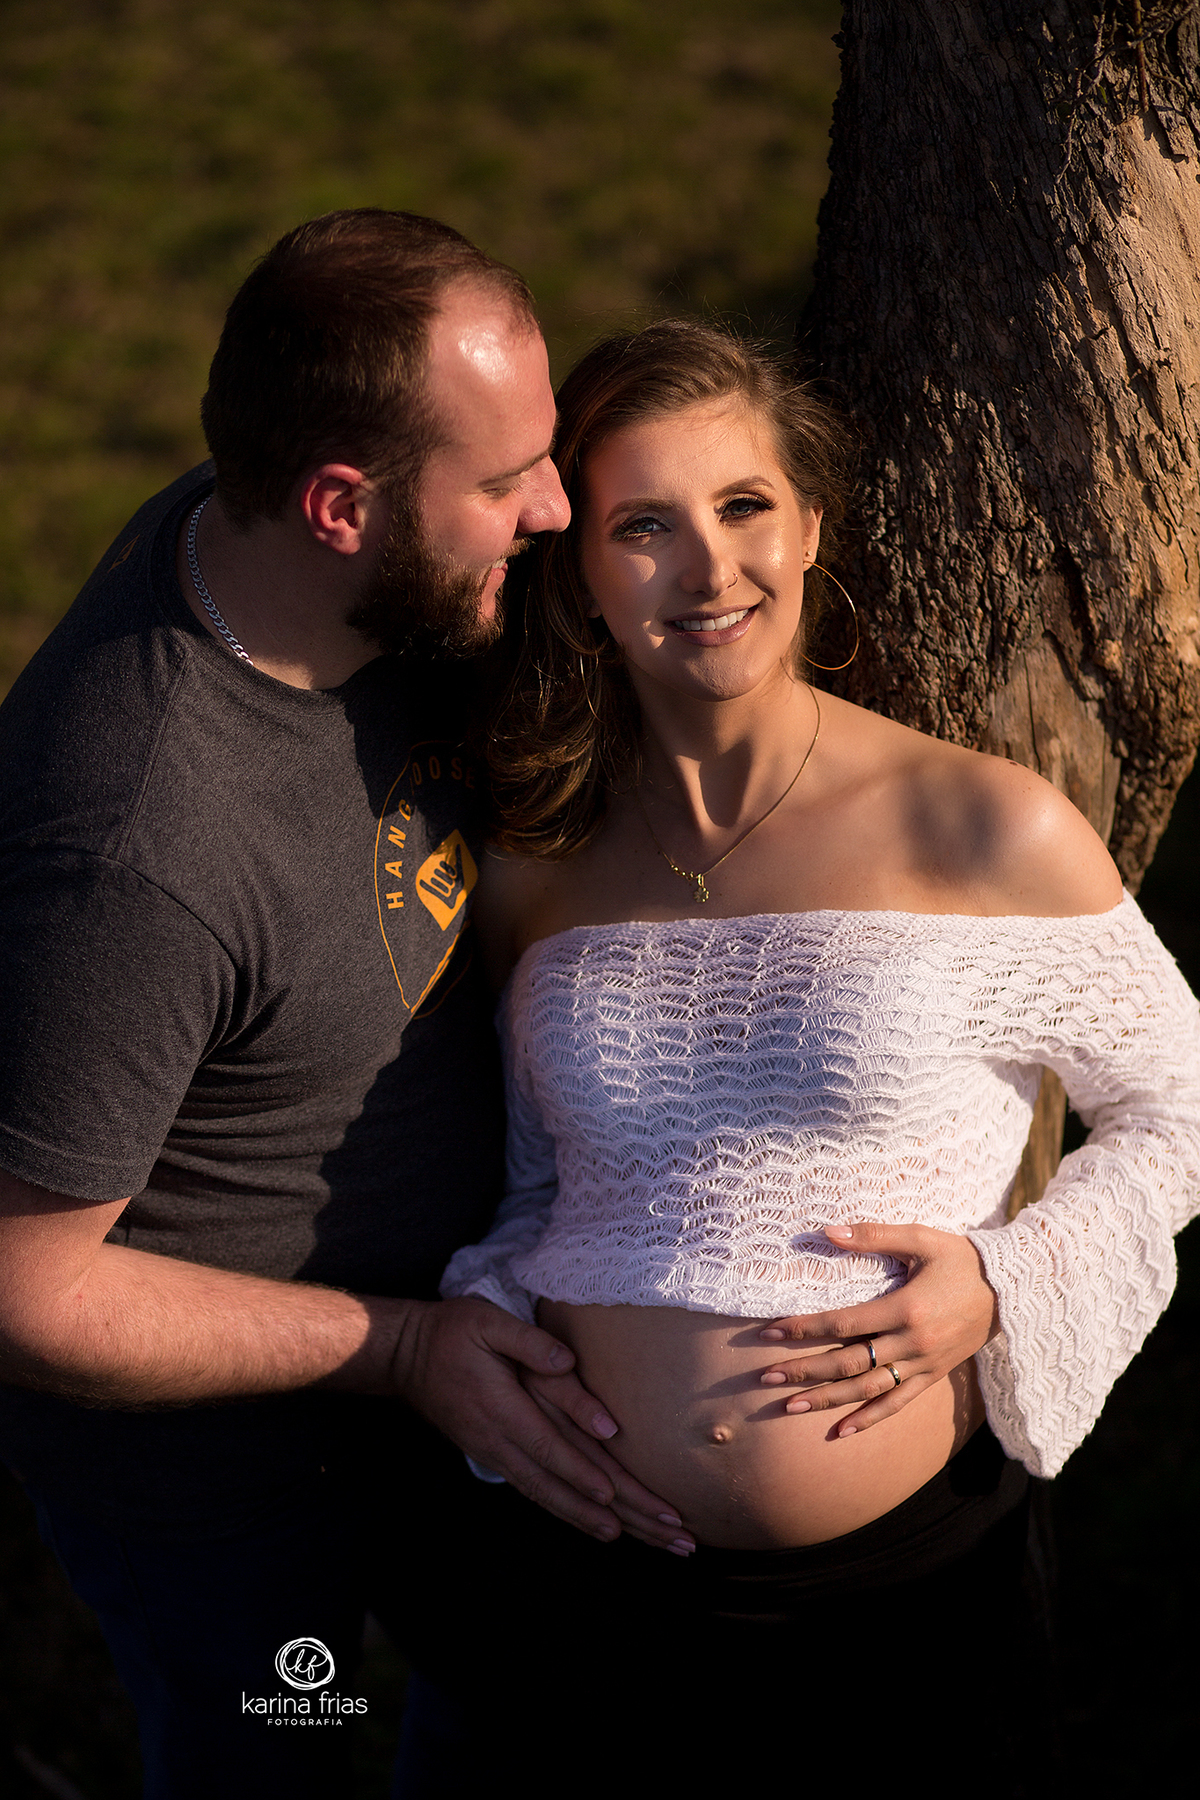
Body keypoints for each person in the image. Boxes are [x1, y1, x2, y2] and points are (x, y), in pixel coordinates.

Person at [441, 320, 1200, 1792]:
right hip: (592, 1583)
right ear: (582, 574)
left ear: (808, 530)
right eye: (643, 526)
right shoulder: (540, 873)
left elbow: (1183, 1106)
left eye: (744, 509)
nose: (709, 569)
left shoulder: (979, 825)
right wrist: (485, 1323)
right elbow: (548, 1185)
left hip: (905, 1598)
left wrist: (1003, 1283)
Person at [0, 211, 686, 1800]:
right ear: (337, 504)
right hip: (233, 1480)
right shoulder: (136, 847)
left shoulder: (356, 578)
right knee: (280, 1766)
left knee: (544, 1708)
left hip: (459, 1348)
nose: (558, 507)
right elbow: (23, 1285)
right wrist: (398, 1354)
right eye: (508, 481)